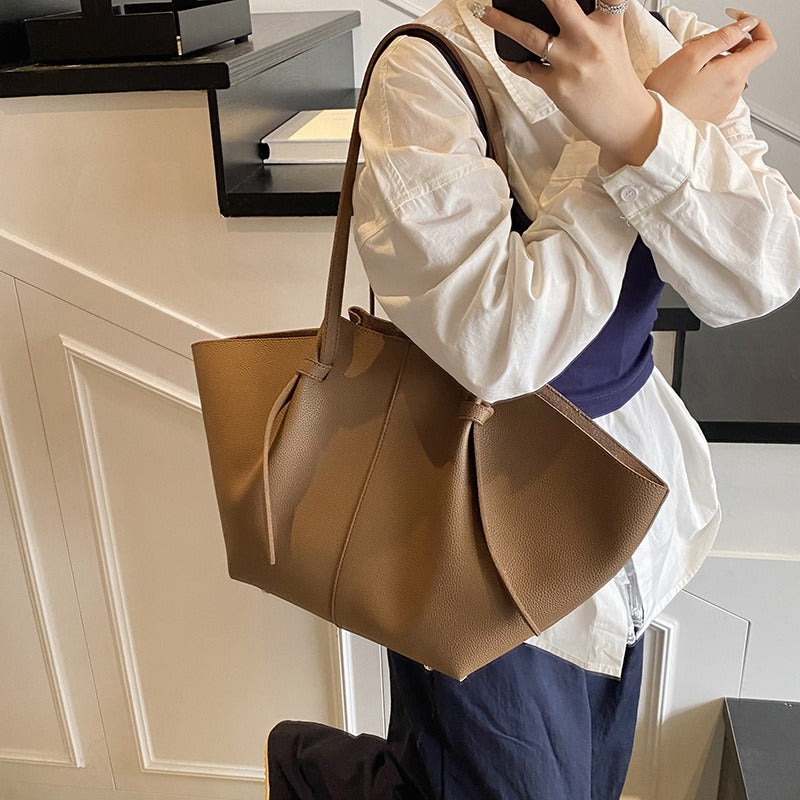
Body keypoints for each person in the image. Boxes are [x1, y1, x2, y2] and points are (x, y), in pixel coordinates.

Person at [266, 1, 796, 798]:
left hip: (626, 498)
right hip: (473, 514)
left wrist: (648, 128)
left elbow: (760, 273)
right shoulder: (427, 70)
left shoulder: (674, 37)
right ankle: (313, 773)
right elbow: (497, 343)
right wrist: (627, 136)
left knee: (584, 780)